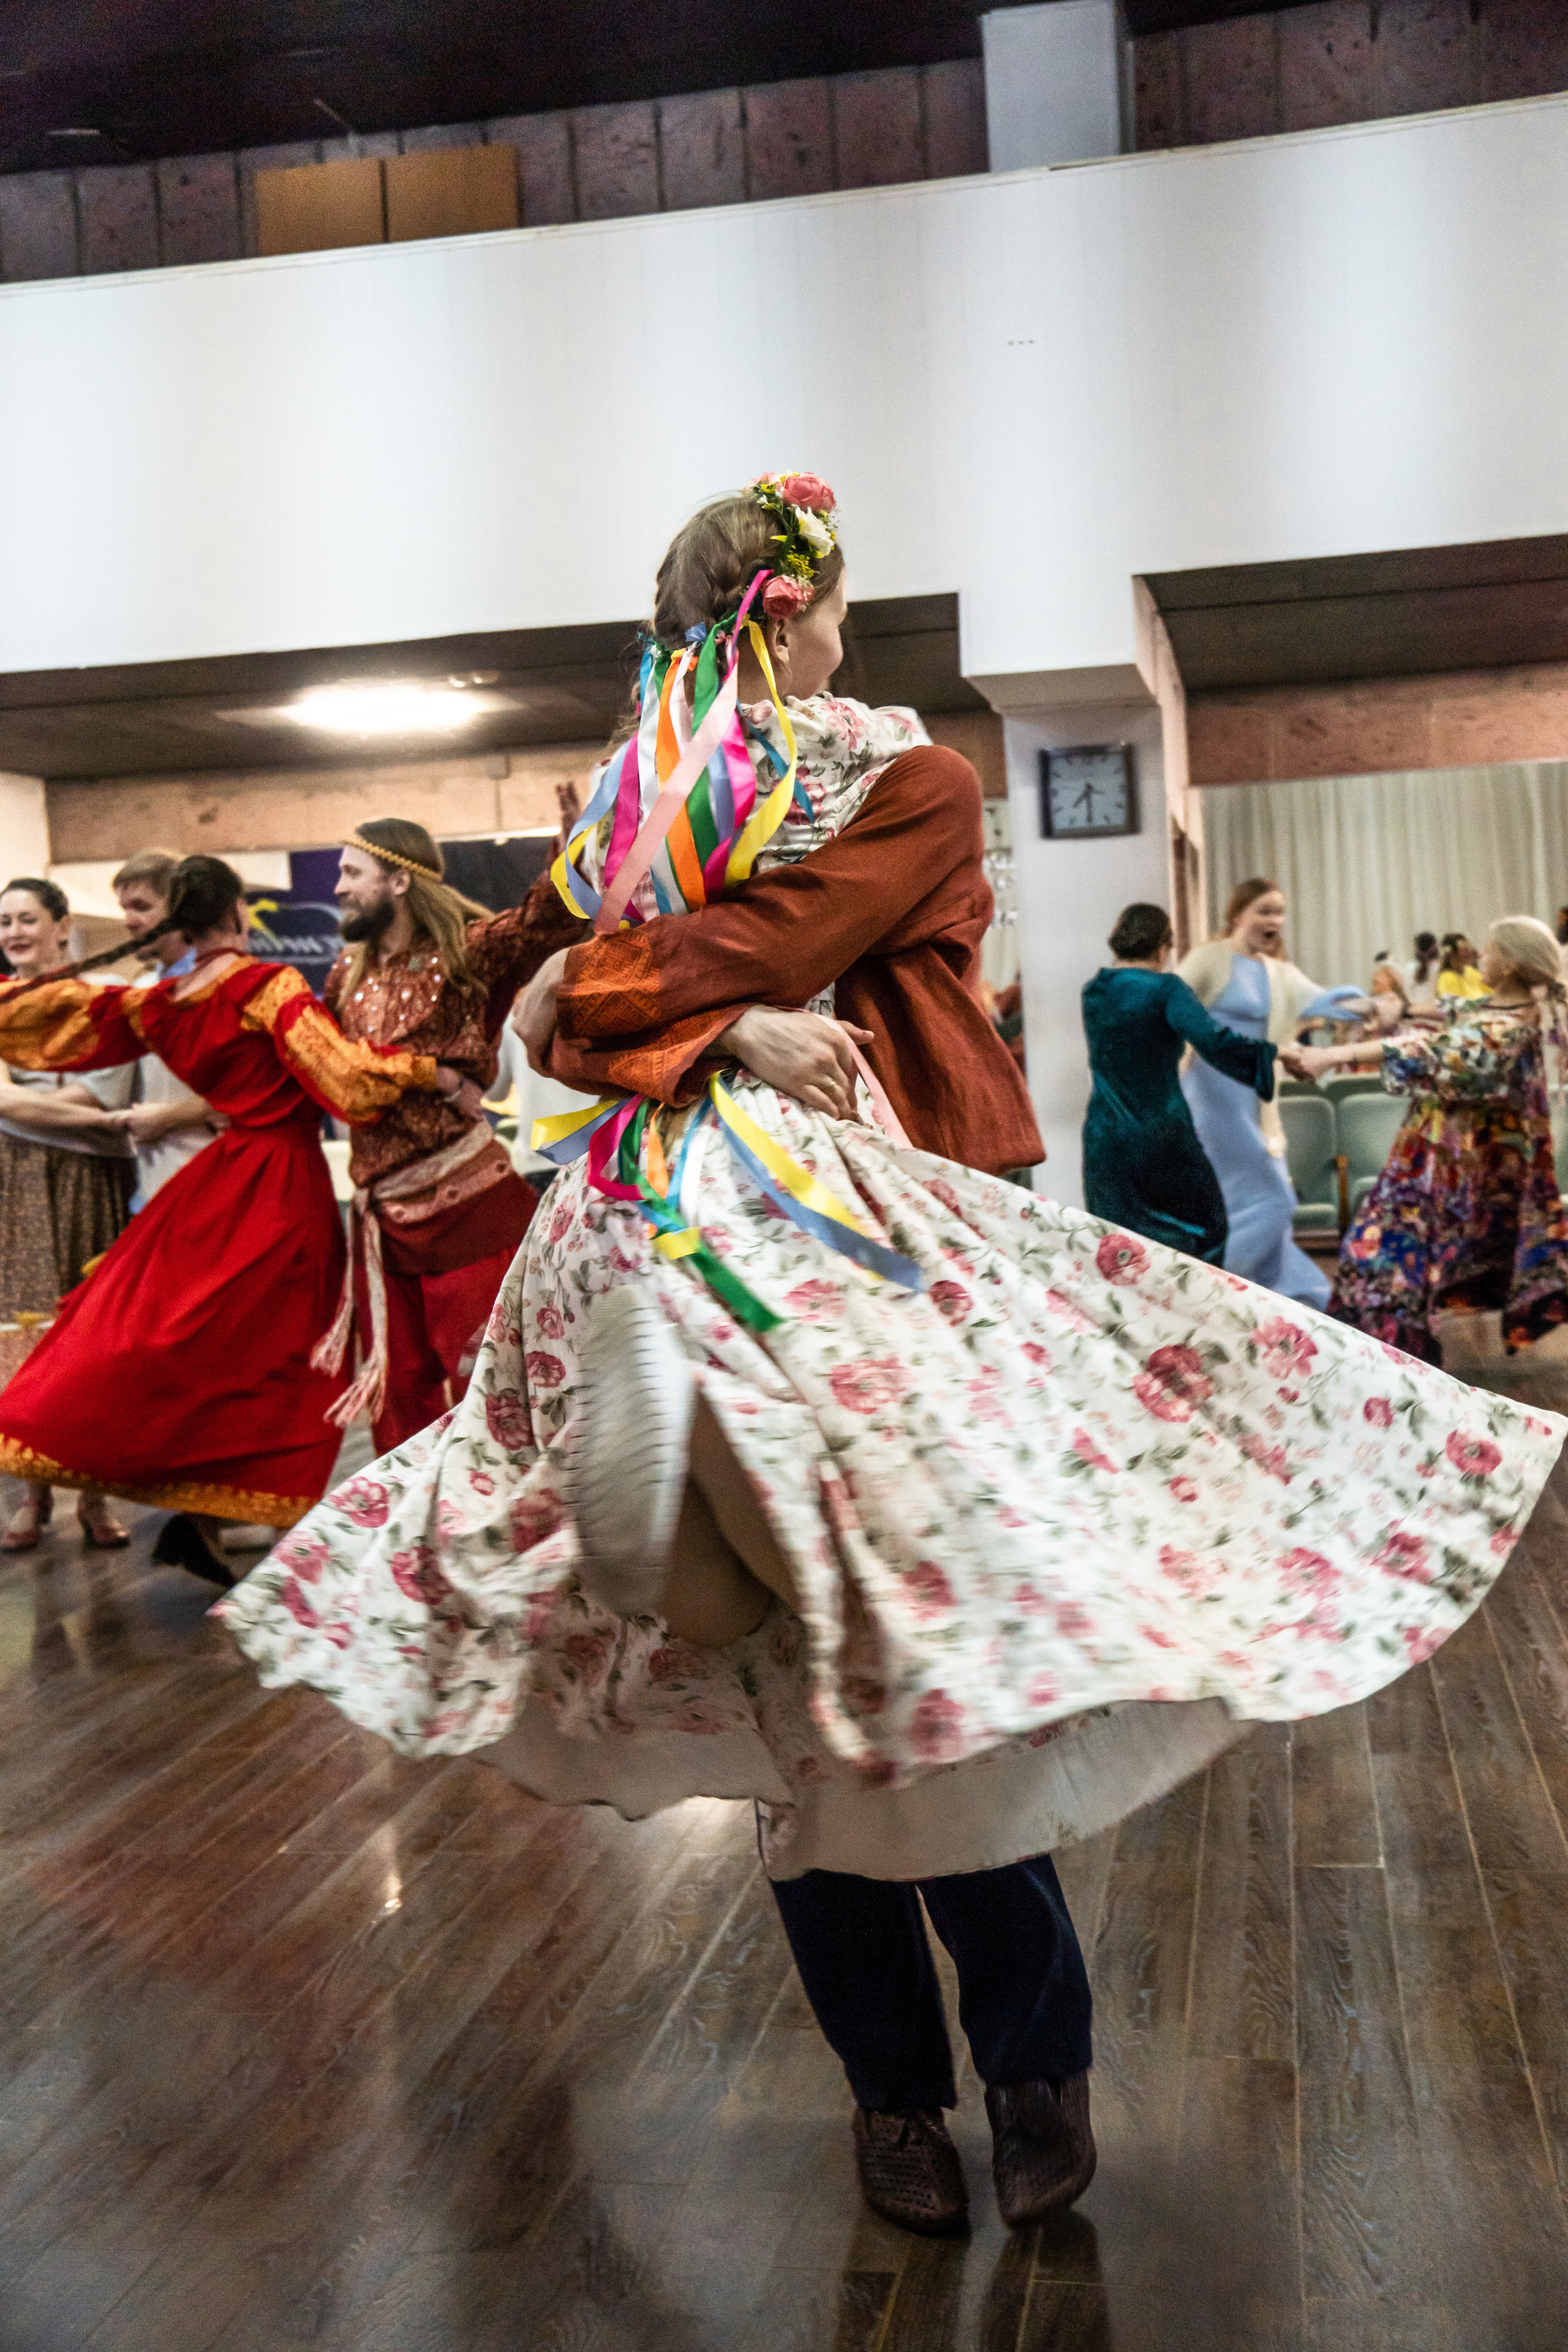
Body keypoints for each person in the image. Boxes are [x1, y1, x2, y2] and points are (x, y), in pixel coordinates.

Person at [221, 477, 1564, 2241]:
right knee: (808, 1694)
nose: (849, 636)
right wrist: (622, 1002)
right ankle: (896, 2094)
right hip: (774, 1242)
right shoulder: (672, 801)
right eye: (841, 608)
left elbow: (681, 964)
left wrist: (632, 1004)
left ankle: (1027, 2061)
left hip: (875, 1234)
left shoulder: (882, 791)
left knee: (919, 1660)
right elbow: (530, 987)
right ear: (799, 611)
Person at [0, 854, 474, 1582]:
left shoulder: (164, 1000)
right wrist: (427, 1072)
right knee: (272, 1359)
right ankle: (233, 1519)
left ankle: (202, 1520)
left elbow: (50, 1021)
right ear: (236, 913)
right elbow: (343, 1076)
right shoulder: (264, 985)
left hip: (215, 1184)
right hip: (277, 1186)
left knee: (199, 1345)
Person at [321, 820, 583, 1454]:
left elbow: (540, 928)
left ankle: (512, 1524)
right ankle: (417, 1537)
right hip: (383, 1217)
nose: (338, 887)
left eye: (352, 873)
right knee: (402, 1394)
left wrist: (577, 851)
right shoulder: (342, 978)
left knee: (493, 1381)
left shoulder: (468, 953)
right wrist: (427, 1076)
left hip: (468, 1208)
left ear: (399, 880)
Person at [1303, 917, 1568, 1363]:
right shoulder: (1498, 1010)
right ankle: (1392, 1361)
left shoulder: (1506, 1032)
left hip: (1441, 1181)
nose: (1479, 956)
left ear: (1507, 966)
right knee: (1383, 1260)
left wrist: (1334, 1054)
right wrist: (1385, 1007)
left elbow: (1431, 1050)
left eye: (1488, 950)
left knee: (1377, 1259)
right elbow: (1453, 1008)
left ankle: (1392, 1365)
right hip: (1432, 1169)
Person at [0, 876, 135, 1554]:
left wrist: (32, 1106)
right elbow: (9, 1104)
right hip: (16, 1181)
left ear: (61, 925)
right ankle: (33, 1495)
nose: (15, 933)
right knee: (24, 1336)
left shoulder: (101, 999)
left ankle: (95, 1496)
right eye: (5, 923)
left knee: (89, 1334)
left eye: (27, 919)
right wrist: (97, 1115)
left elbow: (102, 1088)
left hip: (92, 1177)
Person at [1176, 880, 1378, 1307]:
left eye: (1280, 912)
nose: (1274, 921)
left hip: (1252, 1101)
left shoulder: (1279, 973)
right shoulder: (1209, 958)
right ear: (1238, 916)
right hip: (1209, 1100)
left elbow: (1329, 1002)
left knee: (1248, 1202)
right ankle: (1206, 1290)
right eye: (1265, 911)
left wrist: (1383, 1007)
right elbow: (1171, 1005)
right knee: (1275, 1199)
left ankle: (1265, 1298)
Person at [1080, 902, 1283, 1263]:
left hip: (1105, 1137)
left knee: (1119, 1244)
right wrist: (1267, 1055)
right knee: (1206, 1229)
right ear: (1164, 948)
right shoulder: (1166, 989)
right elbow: (1212, 1040)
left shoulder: (1094, 990)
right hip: (1161, 1131)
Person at [109, 850, 223, 1205]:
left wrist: (171, 1117)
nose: (129, 921)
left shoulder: (221, 987)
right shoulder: (144, 991)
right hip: (156, 1187)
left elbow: (251, 1099)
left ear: (181, 912)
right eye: (125, 908)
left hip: (213, 1187)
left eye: (141, 907)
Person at [1436, 932, 1489, 1001]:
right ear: (1452, 954)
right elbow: (1454, 1005)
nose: (1471, 951)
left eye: (1470, 947)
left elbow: (1491, 994)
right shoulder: (1446, 977)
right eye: (1465, 949)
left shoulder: (1471, 972)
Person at [1405, 930, 1441, 1009]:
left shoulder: (1409, 967)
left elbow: (1407, 993)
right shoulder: (1439, 967)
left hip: (1414, 1010)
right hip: (1433, 1010)